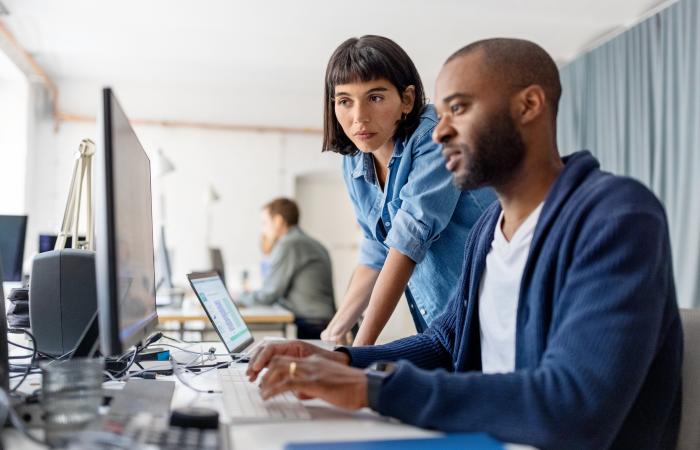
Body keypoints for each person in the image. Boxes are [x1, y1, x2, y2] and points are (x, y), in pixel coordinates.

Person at [246, 38, 683, 449]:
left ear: (528, 105)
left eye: (458, 108)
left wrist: (372, 387)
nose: (438, 133)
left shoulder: (616, 217)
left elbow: (574, 406)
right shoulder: (488, 228)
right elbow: (442, 344)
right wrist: (340, 359)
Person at [320, 35, 495, 345]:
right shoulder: (355, 160)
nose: (358, 116)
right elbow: (377, 250)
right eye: (345, 101)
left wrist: (359, 351)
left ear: (407, 100)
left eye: (375, 97)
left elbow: (407, 240)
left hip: (491, 313)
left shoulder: (437, 137)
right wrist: (333, 335)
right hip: (443, 326)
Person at [238, 198, 336, 339]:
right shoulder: (309, 242)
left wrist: (238, 297)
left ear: (278, 221)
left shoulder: (290, 244)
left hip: (311, 324)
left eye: (264, 223)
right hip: (322, 321)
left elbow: (269, 295)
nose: (263, 230)